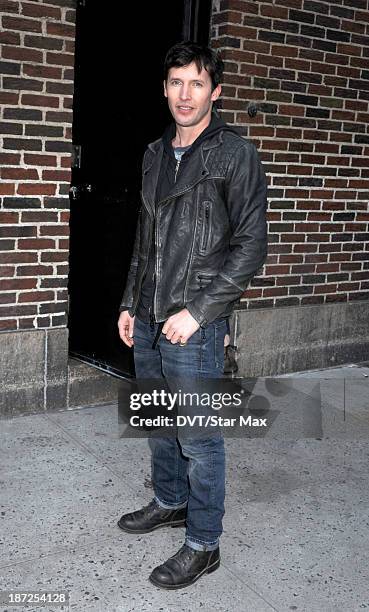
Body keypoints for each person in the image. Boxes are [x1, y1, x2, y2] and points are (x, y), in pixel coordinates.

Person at [117, 40, 267, 590]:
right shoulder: (155, 154)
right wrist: (130, 303)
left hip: (194, 324)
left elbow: (251, 245)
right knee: (158, 422)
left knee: (200, 439)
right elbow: (145, 239)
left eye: (196, 83)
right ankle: (170, 501)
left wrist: (200, 312)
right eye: (176, 82)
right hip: (151, 317)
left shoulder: (234, 153)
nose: (185, 94)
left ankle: (204, 545)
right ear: (164, 89)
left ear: (215, 92)